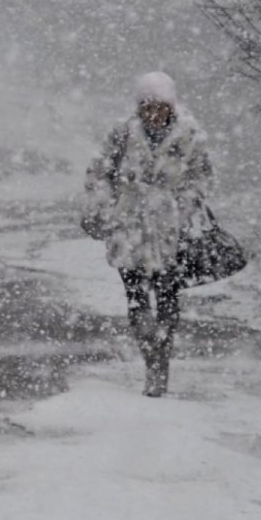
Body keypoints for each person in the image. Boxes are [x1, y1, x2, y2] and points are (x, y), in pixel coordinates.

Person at [83, 72, 212, 397]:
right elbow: (99, 173)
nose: (153, 114)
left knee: (168, 297)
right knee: (137, 297)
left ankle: (161, 362)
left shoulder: (190, 136)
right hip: (128, 225)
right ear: (139, 107)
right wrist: (105, 207)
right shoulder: (122, 134)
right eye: (147, 107)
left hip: (170, 229)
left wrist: (182, 207)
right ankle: (149, 356)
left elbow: (202, 178)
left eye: (160, 107)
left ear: (171, 107)